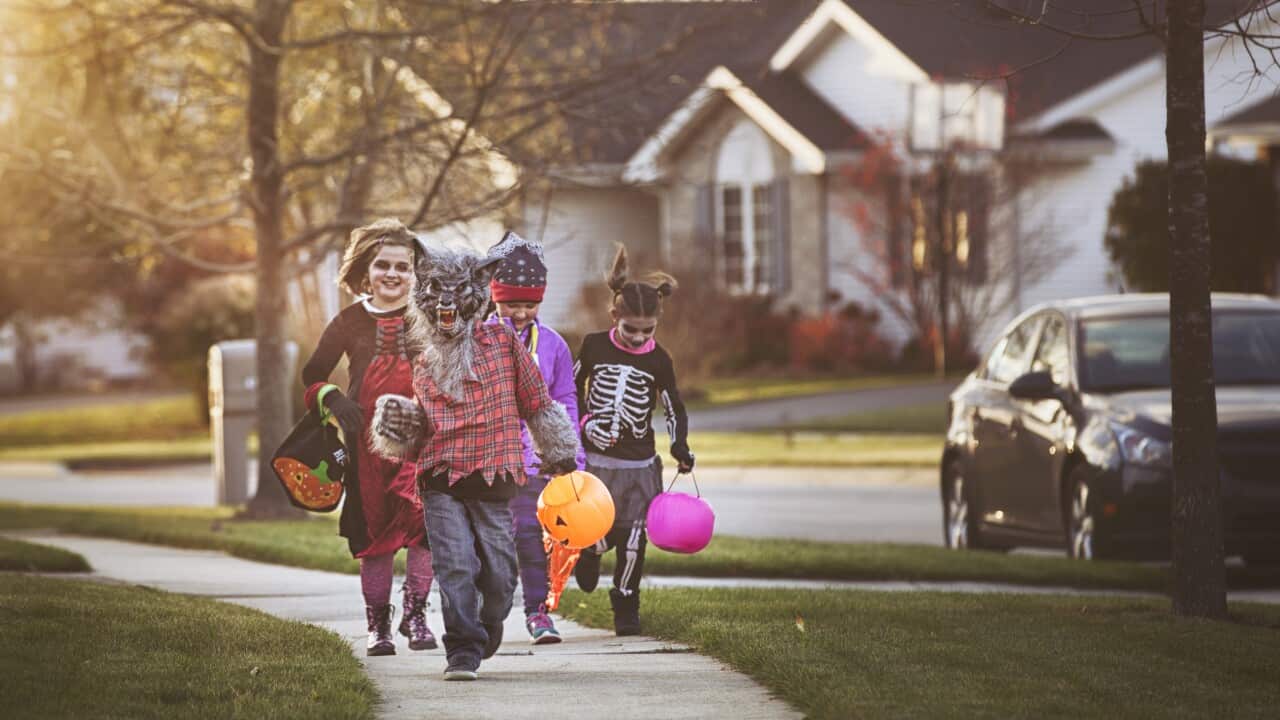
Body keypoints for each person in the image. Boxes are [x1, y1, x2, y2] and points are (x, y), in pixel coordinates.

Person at [368, 238, 580, 681]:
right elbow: (423, 420)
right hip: (441, 477)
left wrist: (559, 452)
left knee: (501, 578)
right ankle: (462, 650)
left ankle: (486, 625)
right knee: (456, 565)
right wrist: (399, 425)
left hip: (496, 475)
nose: (446, 308)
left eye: (456, 296)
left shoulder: (503, 341)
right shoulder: (422, 353)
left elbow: (536, 401)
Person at [300, 218, 436, 657]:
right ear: (366, 271)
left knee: (424, 529)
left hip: (422, 440)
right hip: (366, 447)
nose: (392, 274)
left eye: (403, 266)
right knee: (372, 533)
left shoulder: (429, 315)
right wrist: (333, 398)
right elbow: (312, 373)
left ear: (416, 273)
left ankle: (416, 614)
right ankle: (378, 625)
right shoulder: (349, 321)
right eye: (383, 266)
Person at [572, 244, 695, 636]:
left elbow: (673, 405)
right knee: (597, 529)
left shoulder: (658, 359)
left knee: (633, 537)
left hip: (639, 465)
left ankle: (626, 601)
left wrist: (680, 446)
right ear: (614, 316)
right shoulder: (593, 346)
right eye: (631, 329)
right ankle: (588, 553)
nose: (639, 337)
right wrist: (584, 423)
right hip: (596, 462)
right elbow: (570, 390)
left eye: (648, 331)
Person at [484, 231, 585, 644]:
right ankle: (487, 614)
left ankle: (537, 612)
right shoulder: (478, 338)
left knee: (530, 538)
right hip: (487, 462)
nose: (520, 312)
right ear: (495, 298)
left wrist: (569, 456)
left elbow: (565, 400)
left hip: (533, 464)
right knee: (489, 547)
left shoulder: (555, 346)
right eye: (511, 304)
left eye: (528, 304)